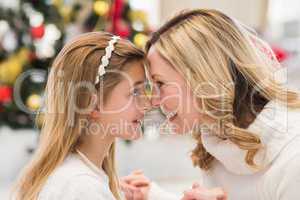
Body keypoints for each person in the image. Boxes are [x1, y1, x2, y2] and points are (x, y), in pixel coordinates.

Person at [122, 9, 300, 200]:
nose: (153, 101)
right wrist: (153, 195)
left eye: (160, 83)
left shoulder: (292, 156)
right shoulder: (217, 140)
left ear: (202, 77)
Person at [13, 32, 151, 200]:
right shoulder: (81, 188)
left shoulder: (81, 181)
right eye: (135, 92)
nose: (147, 104)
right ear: (92, 104)